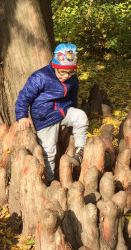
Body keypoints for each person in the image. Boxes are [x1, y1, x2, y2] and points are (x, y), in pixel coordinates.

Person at [14, 43, 88, 182]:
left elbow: (73, 97)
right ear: (54, 66)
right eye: (62, 72)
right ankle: (50, 180)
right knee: (49, 151)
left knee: (81, 117)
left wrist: (71, 118)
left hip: (63, 111)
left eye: (70, 72)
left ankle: (79, 152)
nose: (66, 76)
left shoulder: (72, 79)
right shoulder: (40, 77)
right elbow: (24, 97)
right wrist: (22, 116)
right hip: (45, 116)